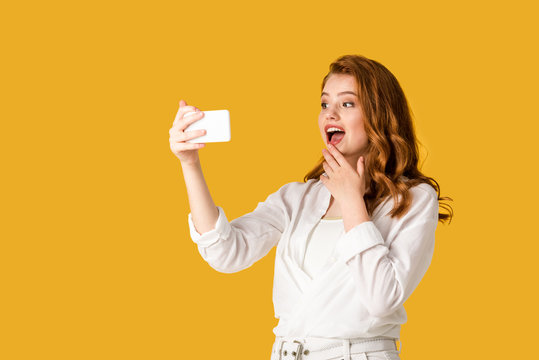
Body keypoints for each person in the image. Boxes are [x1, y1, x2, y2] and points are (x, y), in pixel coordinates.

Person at [168, 54, 453, 360]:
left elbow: (382, 299)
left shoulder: (412, 199)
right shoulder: (298, 199)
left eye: (347, 104)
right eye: (324, 104)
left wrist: (351, 199)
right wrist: (190, 164)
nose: (330, 114)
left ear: (380, 115)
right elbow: (226, 253)